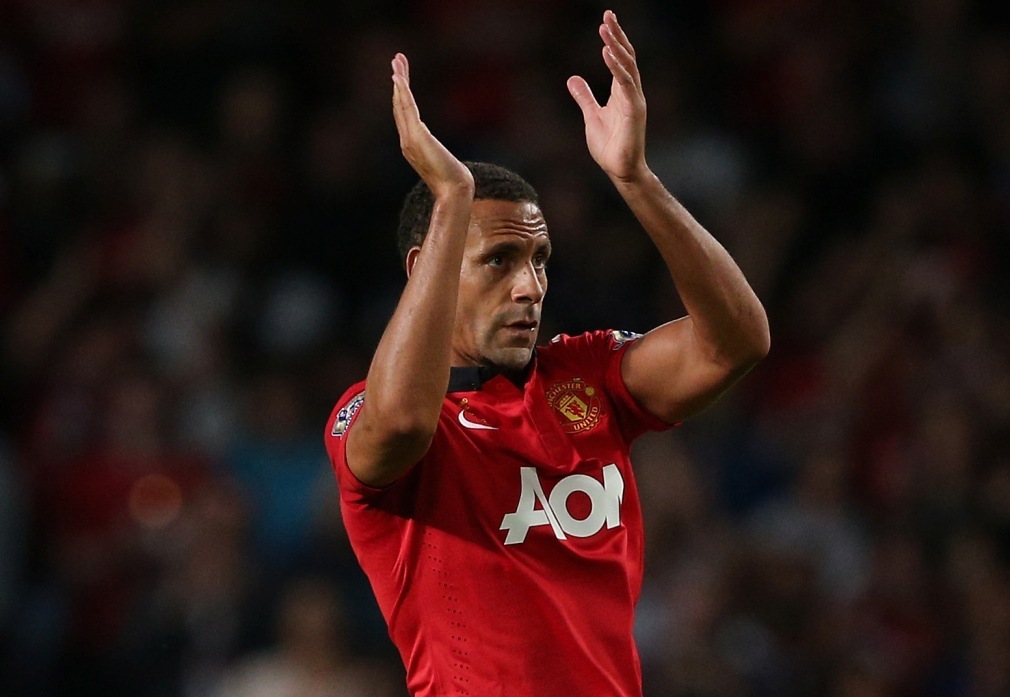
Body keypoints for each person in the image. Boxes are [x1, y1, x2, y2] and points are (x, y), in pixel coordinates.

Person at [324, 10, 770, 697]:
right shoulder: (368, 412)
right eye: (499, 259)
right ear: (426, 267)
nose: (530, 285)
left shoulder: (588, 375)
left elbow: (736, 342)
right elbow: (406, 422)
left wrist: (636, 180)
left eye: (539, 259)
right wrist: (452, 198)